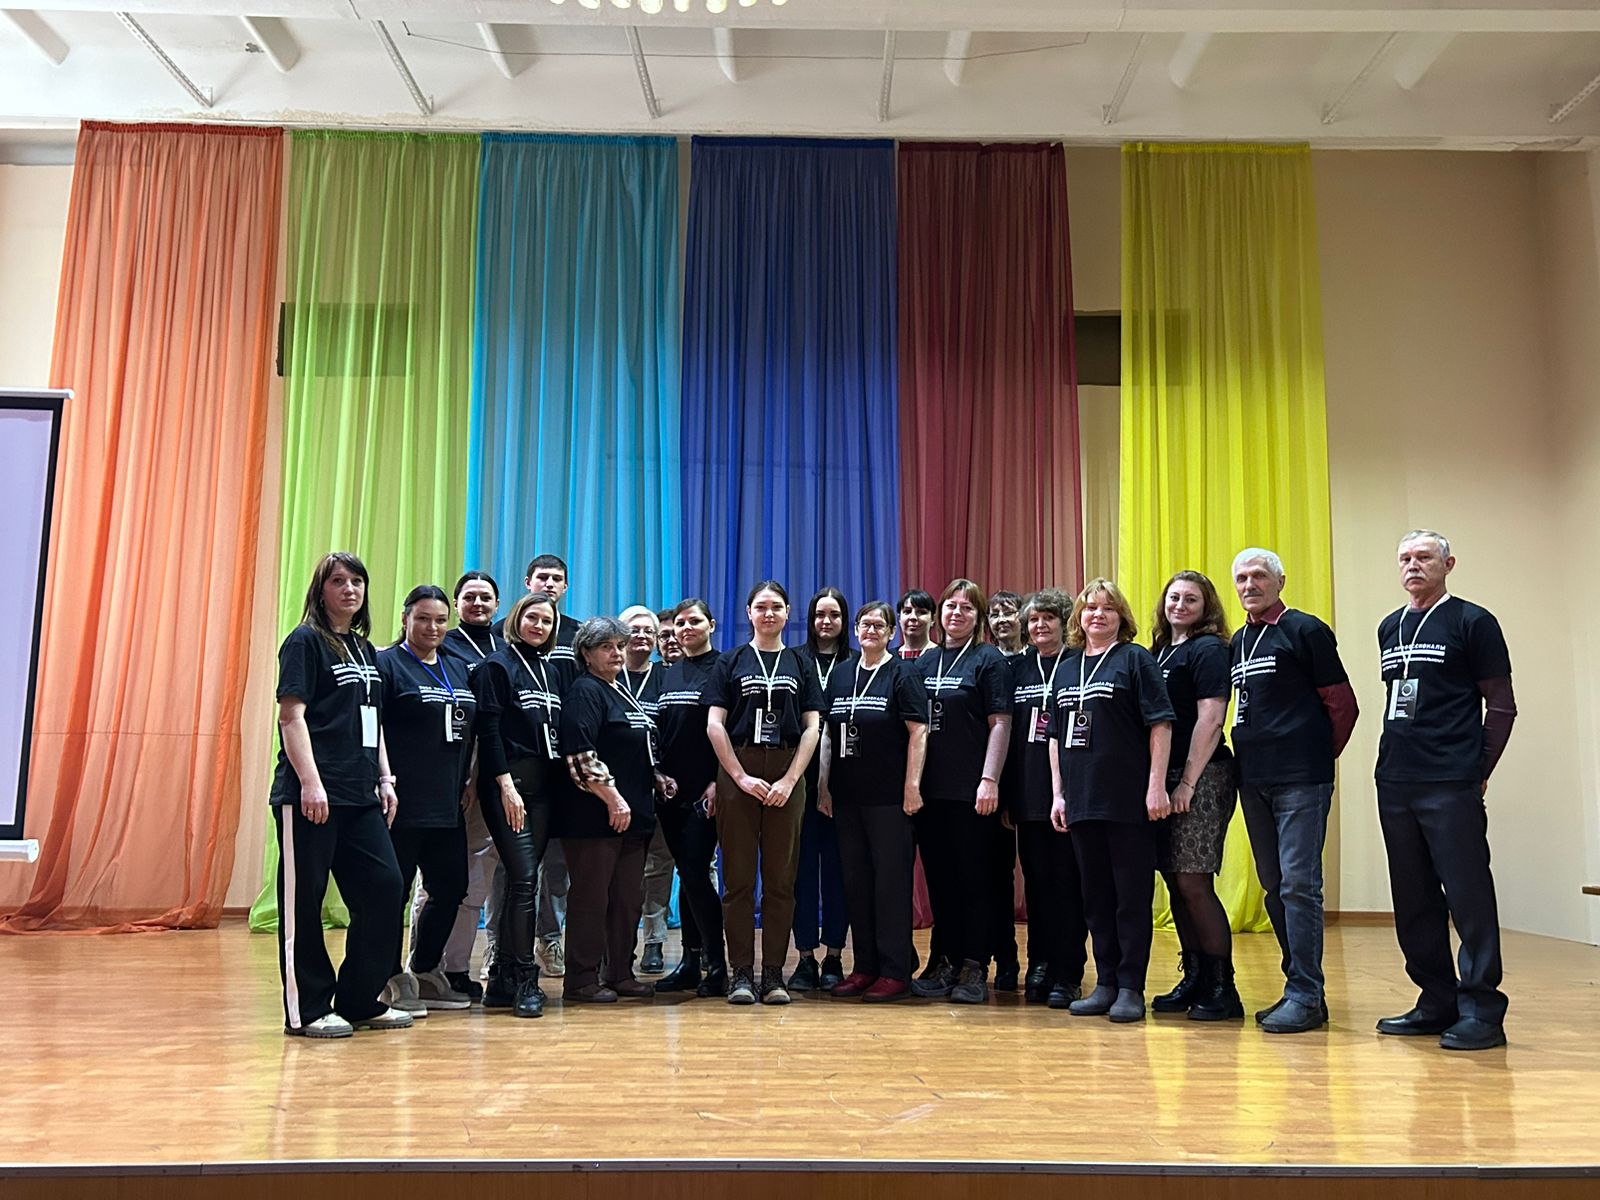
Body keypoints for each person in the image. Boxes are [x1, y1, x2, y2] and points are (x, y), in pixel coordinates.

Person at [1374, 530, 1516, 1052]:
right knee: (1412, 897)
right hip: (1396, 780)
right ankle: (1436, 1000)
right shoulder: (1390, 626)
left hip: (1450, 781)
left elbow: (1502, 706)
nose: (1413, 565)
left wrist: (1477, 769)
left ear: (1448, 564)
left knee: (1467, 894)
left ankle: (1482, 1010)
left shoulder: (1473, 622)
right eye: (1405, 558)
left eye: (1424, 557)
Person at [269, 552, 411, 1038]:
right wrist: (311, 782)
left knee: (385, 887)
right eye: (338, 581)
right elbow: (292, 716)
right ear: (321, 590)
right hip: (311, 794)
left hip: (360, 794)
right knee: (304, 902)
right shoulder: (305, 641)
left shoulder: (365, 649)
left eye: (357, 581)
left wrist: (385, 778)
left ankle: (358, 998)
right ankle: (307, 1009)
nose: (349, 589)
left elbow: (374, 720)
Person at [1230, 548, 1358, 1034]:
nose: (1249, 585)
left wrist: (1315, 758)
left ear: (1280, 581)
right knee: (1274, 885)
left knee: (1299, 885)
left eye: (1259, 576)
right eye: (1241, 578)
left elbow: (1343, 705)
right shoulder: (1239, 640)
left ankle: (1306, 994)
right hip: (1253, 779)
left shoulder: (1305, 630)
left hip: (1301, 780)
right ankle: (1299, 989)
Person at [1048, 578, 1174, 1024]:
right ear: (1078, 618)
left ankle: (1130, 987)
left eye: (1107, 608)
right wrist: (1058, 794)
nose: (1097, 615)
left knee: (1130, 898)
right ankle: (1104, 983)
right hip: (1081, 799)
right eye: (1090, 608)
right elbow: (1055, 737)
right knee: (1096, 897)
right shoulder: (1067, 668)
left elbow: (1161, 725)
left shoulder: (1135, 660)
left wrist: (1156, 786)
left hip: (1127, 800)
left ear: (1122, 617)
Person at [706, 581, 825, 1005]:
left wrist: (791, 780)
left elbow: (813, 728)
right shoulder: (731, 660)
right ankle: (741, 971)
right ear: (749, 612)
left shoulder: (801, 663)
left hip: (787, 770)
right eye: (761, 607)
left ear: (788, 613)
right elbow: (715, 724)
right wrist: (740, 778)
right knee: (738, 879)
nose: (769, 613)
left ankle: (774, 973)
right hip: (739, 769)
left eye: (776, 606)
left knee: (780, 880)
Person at [559, 615, 674, 1003]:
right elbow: (580, 755)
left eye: (620, 646)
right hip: (596, 817)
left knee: (627, 900)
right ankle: (581, 979)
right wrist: (613, 798)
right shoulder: (585, 692)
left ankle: (620, 972)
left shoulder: (619, 689)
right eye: (606, 647)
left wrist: (656, 777)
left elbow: (635, 748)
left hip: (634, 816)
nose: (617, 653)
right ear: (586, 653)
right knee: (592, 899)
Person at [817, 601, 928, 1001]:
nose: (871, 631)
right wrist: (824, 786)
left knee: (890, 885)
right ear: (856, 630)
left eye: (879, 625)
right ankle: (864, 966)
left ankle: (896, 970)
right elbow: (829, 734)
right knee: (857, 883)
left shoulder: (902, 673)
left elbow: (919, 731)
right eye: (865, 624)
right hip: (848, 797)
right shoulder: (842, 673)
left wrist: (912, 786)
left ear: (891, 632)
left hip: (888, 799)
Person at [470, 591, 572, 1019]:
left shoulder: (551, 670)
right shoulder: (498, 666)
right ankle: (525, 978)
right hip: (509, 788)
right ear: (516, 619)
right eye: (533, 617)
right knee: (525, 878)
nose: (539, 626)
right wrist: (505, 786)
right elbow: (489, 730)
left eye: (547, 622)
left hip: (544, 790)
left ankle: (501, 980)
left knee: (523, 881)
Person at [910, 578, 1012, 1005]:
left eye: (967, 608)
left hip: (972, 791)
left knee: (975, 880)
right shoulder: (925, 663)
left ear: (978, 617)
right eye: (951, 606)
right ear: (939, 614)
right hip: (931, 792)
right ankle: (943, 960)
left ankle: (974, 964)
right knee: (941, 881)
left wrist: (989, 780)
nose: (957, 613)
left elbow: (1000, 723)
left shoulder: (989, 661)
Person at [376, 585, 476, 1017]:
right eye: (422, 618)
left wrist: (470, 779)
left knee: (451, 887)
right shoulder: (386, 664)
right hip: (400, 804)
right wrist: (382, 780)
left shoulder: (456, 667)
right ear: (405, 620)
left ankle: (425, 969)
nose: (432, 627)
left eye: (439, 620)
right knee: (392, 893)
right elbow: (373, 727)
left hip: (447, 802)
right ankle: (388, 976)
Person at [1147, 572, 1242, 1021]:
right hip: (1163, 776)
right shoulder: (1158, 651)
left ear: (1207, 608)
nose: (1180, 605)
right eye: (1174, 598)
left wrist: (1187, 782)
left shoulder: (1208, 649)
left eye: (1191, 599)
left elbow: (1211, 718)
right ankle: (1195, 977)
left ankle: (1223, 987)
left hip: (1203, 775)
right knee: (1173, 879)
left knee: (1193, 881)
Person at [415, 569, 499, 1003]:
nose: (478, 604)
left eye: (486, 597)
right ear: (456, 604)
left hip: (487, 773)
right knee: (434, 881)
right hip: (445, 776)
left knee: (475, 880)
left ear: (497, 605)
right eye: (470, 597)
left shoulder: (505, 647)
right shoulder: (440, 646)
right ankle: (420, 968)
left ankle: (456, 966)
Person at [1000, 588, 1087, 1007]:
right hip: (1027, 792)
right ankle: (1039, 962)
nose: (1039, 626)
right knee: (1036, 884)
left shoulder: (1078, 663)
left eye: (1047, 618)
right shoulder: (1017, 668)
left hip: (1070, 793)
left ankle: (1068, 971)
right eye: (1033, 620)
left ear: (1064, 621)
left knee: (1067, 884)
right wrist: (1005, 796)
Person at [654, 599, 730, 998]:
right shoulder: (667, 672)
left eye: (694, 621)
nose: (686, 628)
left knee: (697, 872)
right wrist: (658, 775)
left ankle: (716, 965)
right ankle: (690, 960)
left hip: (707, 793)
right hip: (669, 794)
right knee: (688, 873)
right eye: (680, 623)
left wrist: (719, 781)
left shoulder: (725, 667)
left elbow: (730, 730)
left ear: (711, 625)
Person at [789, 587, 853, 993]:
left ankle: (834, 955)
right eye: (819, 615)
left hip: (846, 783)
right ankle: (804, 957)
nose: (826, 622)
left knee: (837, 872)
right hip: (798, 779)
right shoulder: (795, 661)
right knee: (800, 873)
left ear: (844, 621)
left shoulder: (856, 662)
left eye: (834, 615)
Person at [620, 604, 672, 975]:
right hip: (618, 791)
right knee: (622, 872)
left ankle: (654, 940)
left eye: (648, 631)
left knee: (659, 867)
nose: (641, 636)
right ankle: (618, 945)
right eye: (634, 629)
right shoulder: (608, 676)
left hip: (661, 788)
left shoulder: (665, 678)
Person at [896, 588, 936, 661]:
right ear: (899, 618)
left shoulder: (942, 656)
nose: (913, 617)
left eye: (922, 612)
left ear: (933, 619)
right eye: (907, 611)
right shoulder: (888, 658)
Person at [988, 591, 1026, 656]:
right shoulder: (985, 659)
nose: (1001, 620)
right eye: (995, 615)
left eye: (1008, 613)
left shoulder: (1037, 655)